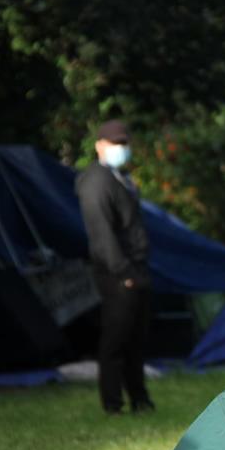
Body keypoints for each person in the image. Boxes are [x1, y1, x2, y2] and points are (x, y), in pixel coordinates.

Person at [77, 119, 154, 413]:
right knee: (116, 340)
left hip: (135, 270)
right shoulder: (95, 182)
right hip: (118, 274)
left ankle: (139, 399)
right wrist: (124, 273)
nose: (121, 149)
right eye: (115, 144)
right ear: (99, 146)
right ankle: (112, 403)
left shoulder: (119, 178)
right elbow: (102, 235)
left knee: (135, 341)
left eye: (124, 144)